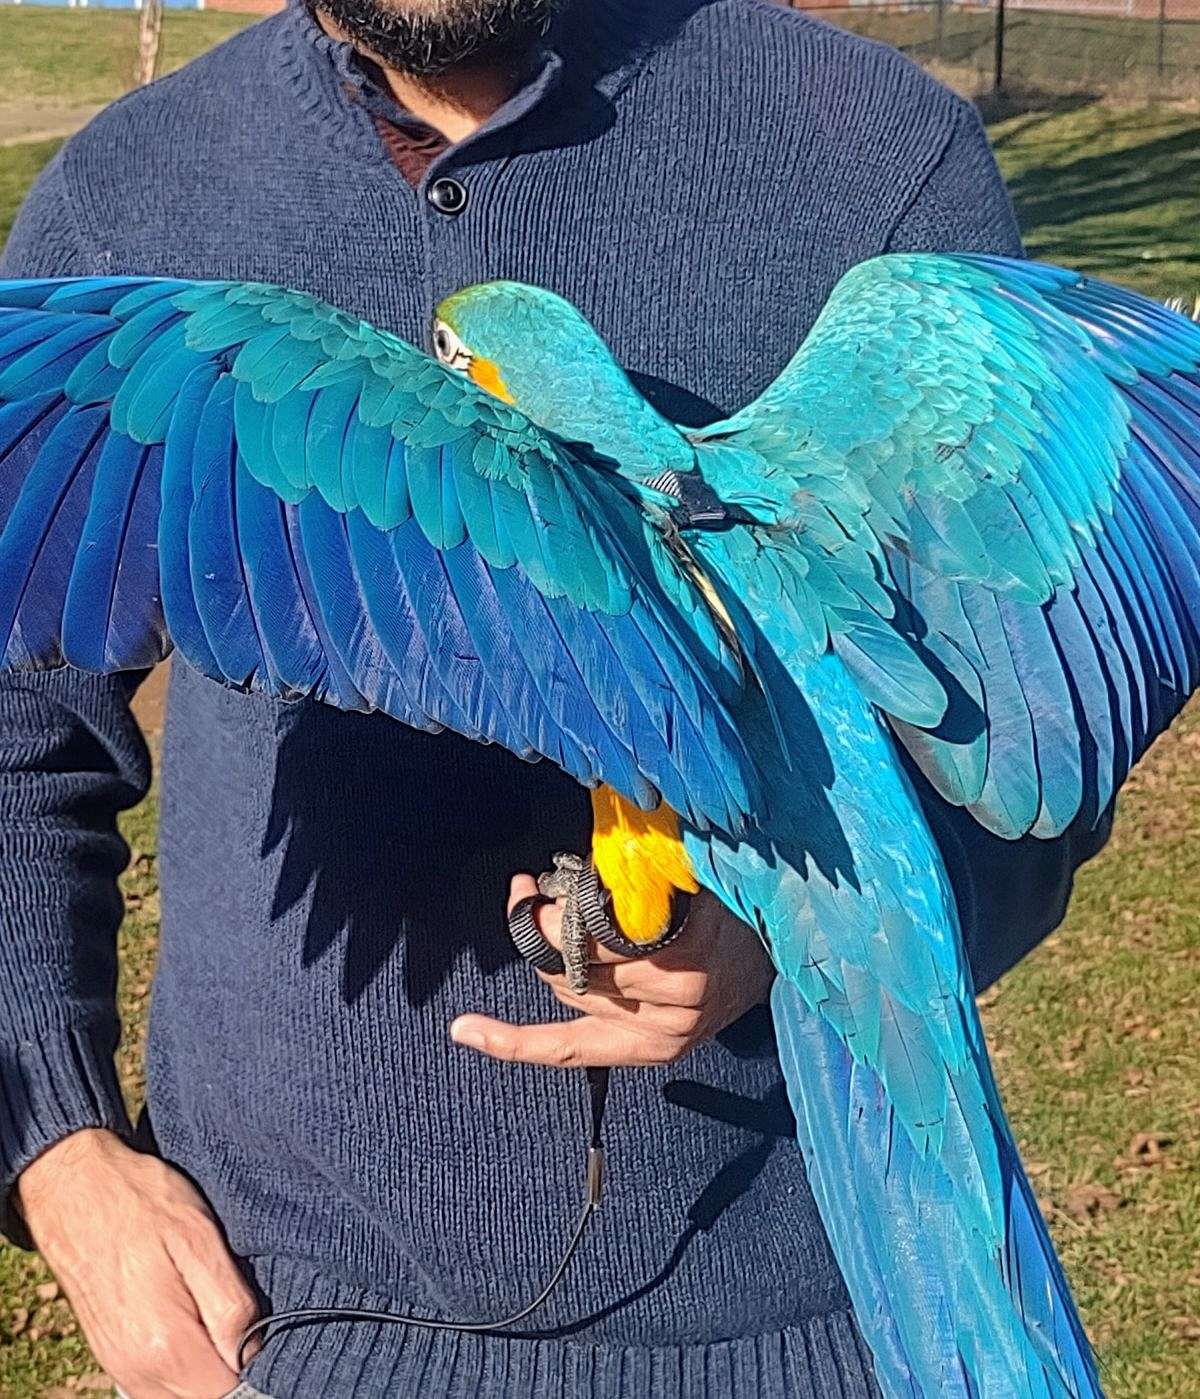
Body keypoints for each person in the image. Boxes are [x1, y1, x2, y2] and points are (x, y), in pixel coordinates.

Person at [0, 1, 1090, 1395]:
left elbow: (1022, 724)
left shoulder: (875, 149)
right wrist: (57, 1151)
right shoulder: (132, 189)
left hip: (802, 1319)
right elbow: (19, 735)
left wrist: (787, 935)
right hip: (286, 1329)